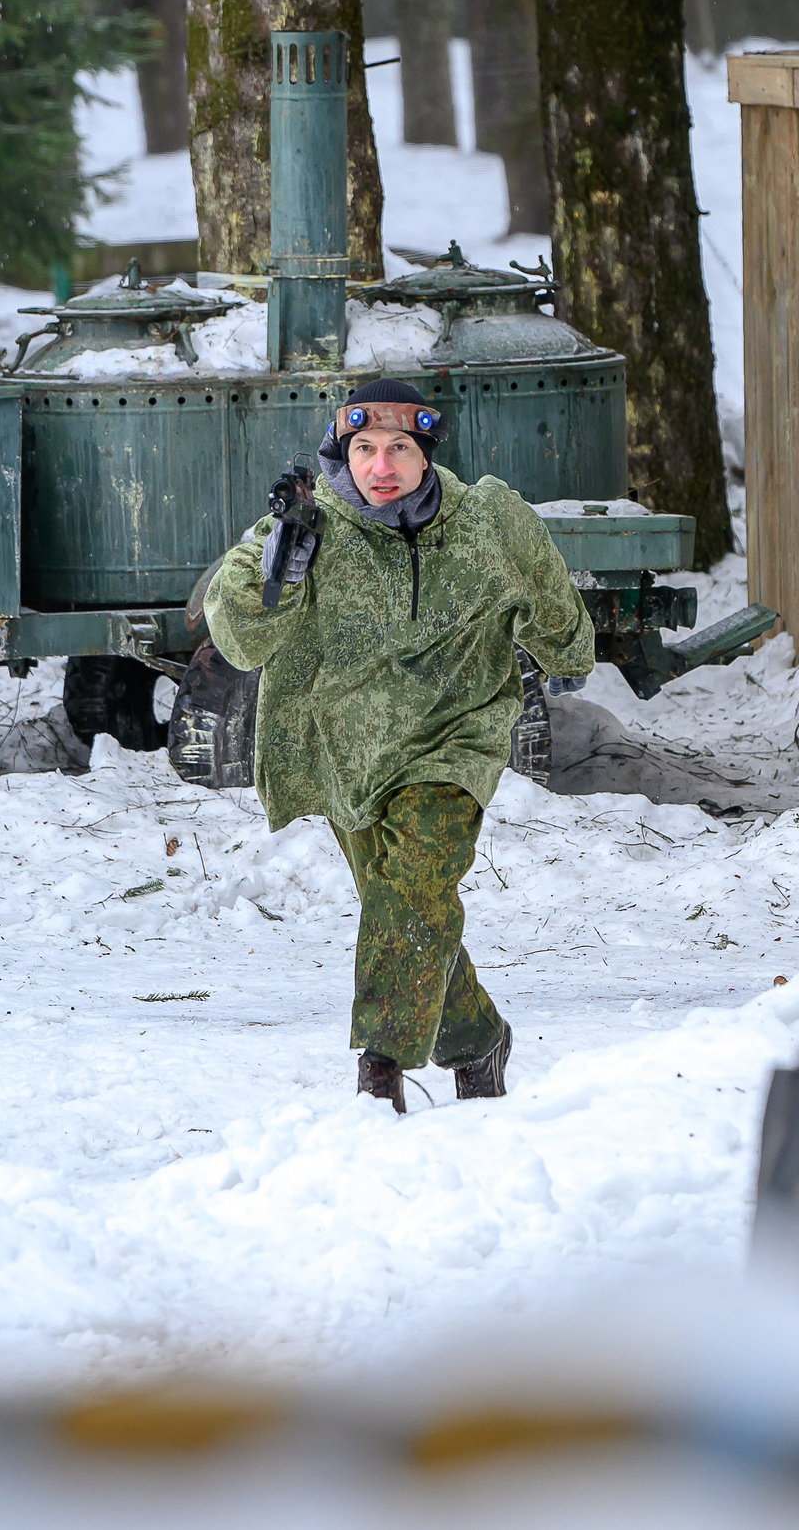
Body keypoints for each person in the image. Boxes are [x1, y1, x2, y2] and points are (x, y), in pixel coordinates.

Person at [203, 379, 595, 1113]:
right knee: (404, 910)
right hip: (345, 752)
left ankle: (379, 1070)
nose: (380, 466)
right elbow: (240, 638)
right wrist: (284, 557)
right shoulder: (308, 528)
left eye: (398, 449)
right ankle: (478, 1040)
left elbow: (551, 598)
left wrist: (566, 651)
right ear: (340, 453)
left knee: (412, 886)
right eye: (363, 450)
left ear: (425, 452)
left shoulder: (487, 520)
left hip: (456, 737)